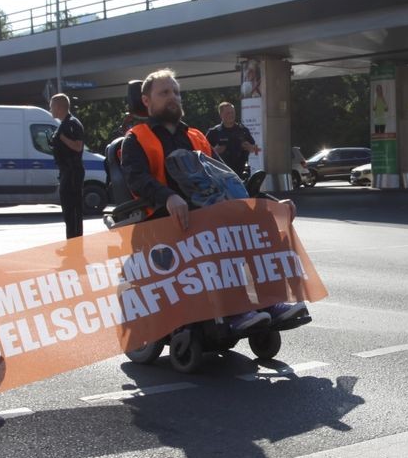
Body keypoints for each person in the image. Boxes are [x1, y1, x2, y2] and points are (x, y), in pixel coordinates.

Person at [120, 68, 305, 332]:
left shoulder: (196, 137)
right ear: (147, 101)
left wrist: (271, 203)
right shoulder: (136, 138)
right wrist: (169, 196)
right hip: (163, 218)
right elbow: (136, 179)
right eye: (164, 92)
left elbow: (228, 181)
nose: (172, 97)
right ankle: (235, 310)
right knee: (215, 230)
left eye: (175, 92)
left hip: (206, 212)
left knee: (262, 221)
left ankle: (271, 303)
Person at [49, 93, 85, 239]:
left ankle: (75, 241)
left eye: (51, 106)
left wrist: (61, 138)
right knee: (68, 210)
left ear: (58, 107)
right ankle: (71, 239)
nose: (50, 109)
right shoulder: (64, 124)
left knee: (73, 209)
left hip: (73, 172)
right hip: (66, 171)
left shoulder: (72, 123)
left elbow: (78, 146)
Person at [205, 101, 260, 176]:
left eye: (232, 112)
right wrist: (215, 151)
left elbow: (255, 149)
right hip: (221, 174)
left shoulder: (243, 130)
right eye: (228, 113)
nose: (231, 115)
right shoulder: (214, 132)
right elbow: (203, 153)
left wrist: (250, 147)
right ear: (221, 115)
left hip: (241, 173)